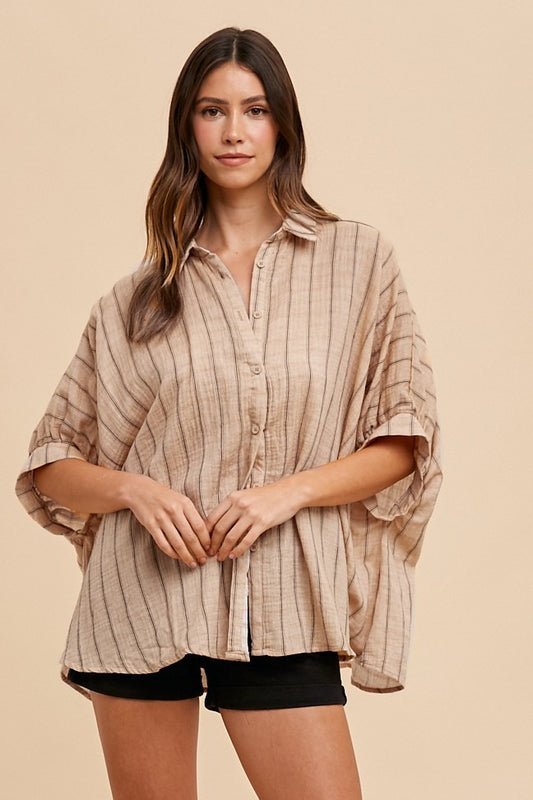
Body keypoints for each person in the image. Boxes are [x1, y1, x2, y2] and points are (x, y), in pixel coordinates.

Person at [15, 26, 442, 800]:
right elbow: (53, 462)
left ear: (282, 124)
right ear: (188, 127)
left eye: (254, 109)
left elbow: (403, 439)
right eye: (212, 111)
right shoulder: (137, 298)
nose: (234, 131)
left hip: (283, 595)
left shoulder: (357, 261)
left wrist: (288, 493)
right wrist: (135, 491)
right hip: (141, 596)